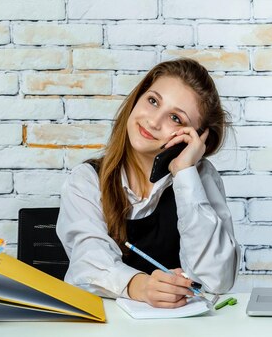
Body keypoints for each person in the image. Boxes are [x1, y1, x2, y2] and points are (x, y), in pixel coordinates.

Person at [57, 58, 239, 308]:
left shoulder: (199, 178)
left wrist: (184, 173)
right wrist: (140, 286)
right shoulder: (86, 181)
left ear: (195, 137)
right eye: (153, 101)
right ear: (137, 98)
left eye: (175, 118)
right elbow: (87, 263)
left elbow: (217, 280)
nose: (153, 122)